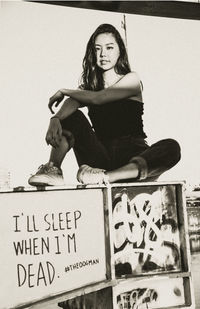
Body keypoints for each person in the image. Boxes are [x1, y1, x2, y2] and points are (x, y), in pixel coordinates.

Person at [28, 23, 181, 187]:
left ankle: (109, 177)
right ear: (92, 53)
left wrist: (64, 90)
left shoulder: (132, 80)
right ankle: (53, 169)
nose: (103, 54)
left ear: (119, 50)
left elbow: (99, 98)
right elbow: (72, 103)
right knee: (71, 116)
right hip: (99, 159)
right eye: (97, 49)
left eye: (109, 48)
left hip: (132, 156)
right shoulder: (87, 89)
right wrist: (55, 118)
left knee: (171, 147)